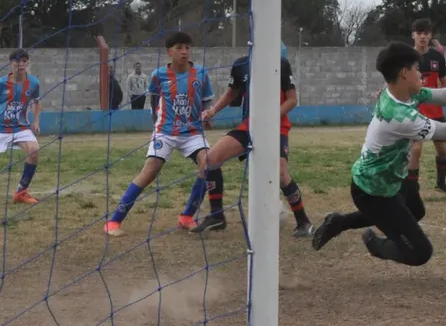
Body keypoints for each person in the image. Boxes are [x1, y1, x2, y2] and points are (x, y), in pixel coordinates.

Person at [310, 42, 446, 265]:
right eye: (417, 69)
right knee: (420, 252)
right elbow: (442, 131)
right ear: (404, 73)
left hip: (391, 179)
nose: (421, 75)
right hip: (372, 190)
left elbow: (443, 94)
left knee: (414, 210)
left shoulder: (401, 92)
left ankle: (340, 222)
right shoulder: (398, 114)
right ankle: (376, 245)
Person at [104, 32, 216, 236]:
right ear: (169, 52)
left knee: (209, 164)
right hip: (165, 131)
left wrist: (207, 114)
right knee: (150, 172)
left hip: (192, 132)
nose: (184, 51)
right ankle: (114, 220)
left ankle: (187, 216)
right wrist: (156, 127)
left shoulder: (201, 73)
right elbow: (155, 103)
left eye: (187, 47)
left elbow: (206, 100)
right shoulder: (158, 75)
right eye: (180, 47)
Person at [195, 42, 312, 237]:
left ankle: (303, 222)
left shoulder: (281, 64)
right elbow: (231, 93)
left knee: (281, 173)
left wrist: (272, 117)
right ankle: (217, 216)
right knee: (210, 159)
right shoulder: (241, 65)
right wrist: (212, 111)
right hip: (249, 126)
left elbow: (292, 100)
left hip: (276, 127)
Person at [410, 19, 446, 198]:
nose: (422, 36)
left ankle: (441, 184)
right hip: (414, 111)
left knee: (443, 150)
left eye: (426, 33)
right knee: (416, 149)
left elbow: (445, 85)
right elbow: (395, 80)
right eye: (419, 33)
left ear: (430, 35)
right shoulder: (407, 57)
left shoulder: (437, 57)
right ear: (413, 35)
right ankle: (412, 189)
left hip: (435, 111)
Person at [3, 49, 42, 205]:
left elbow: (37, 102)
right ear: (11, 63)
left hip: (20, 127)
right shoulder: (1, 83)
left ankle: (21, 192)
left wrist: (36, 121)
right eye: (18, 61)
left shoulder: (34, 83)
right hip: (1, 127)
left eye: (24, 61)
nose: (21, 64)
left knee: (34, 151)